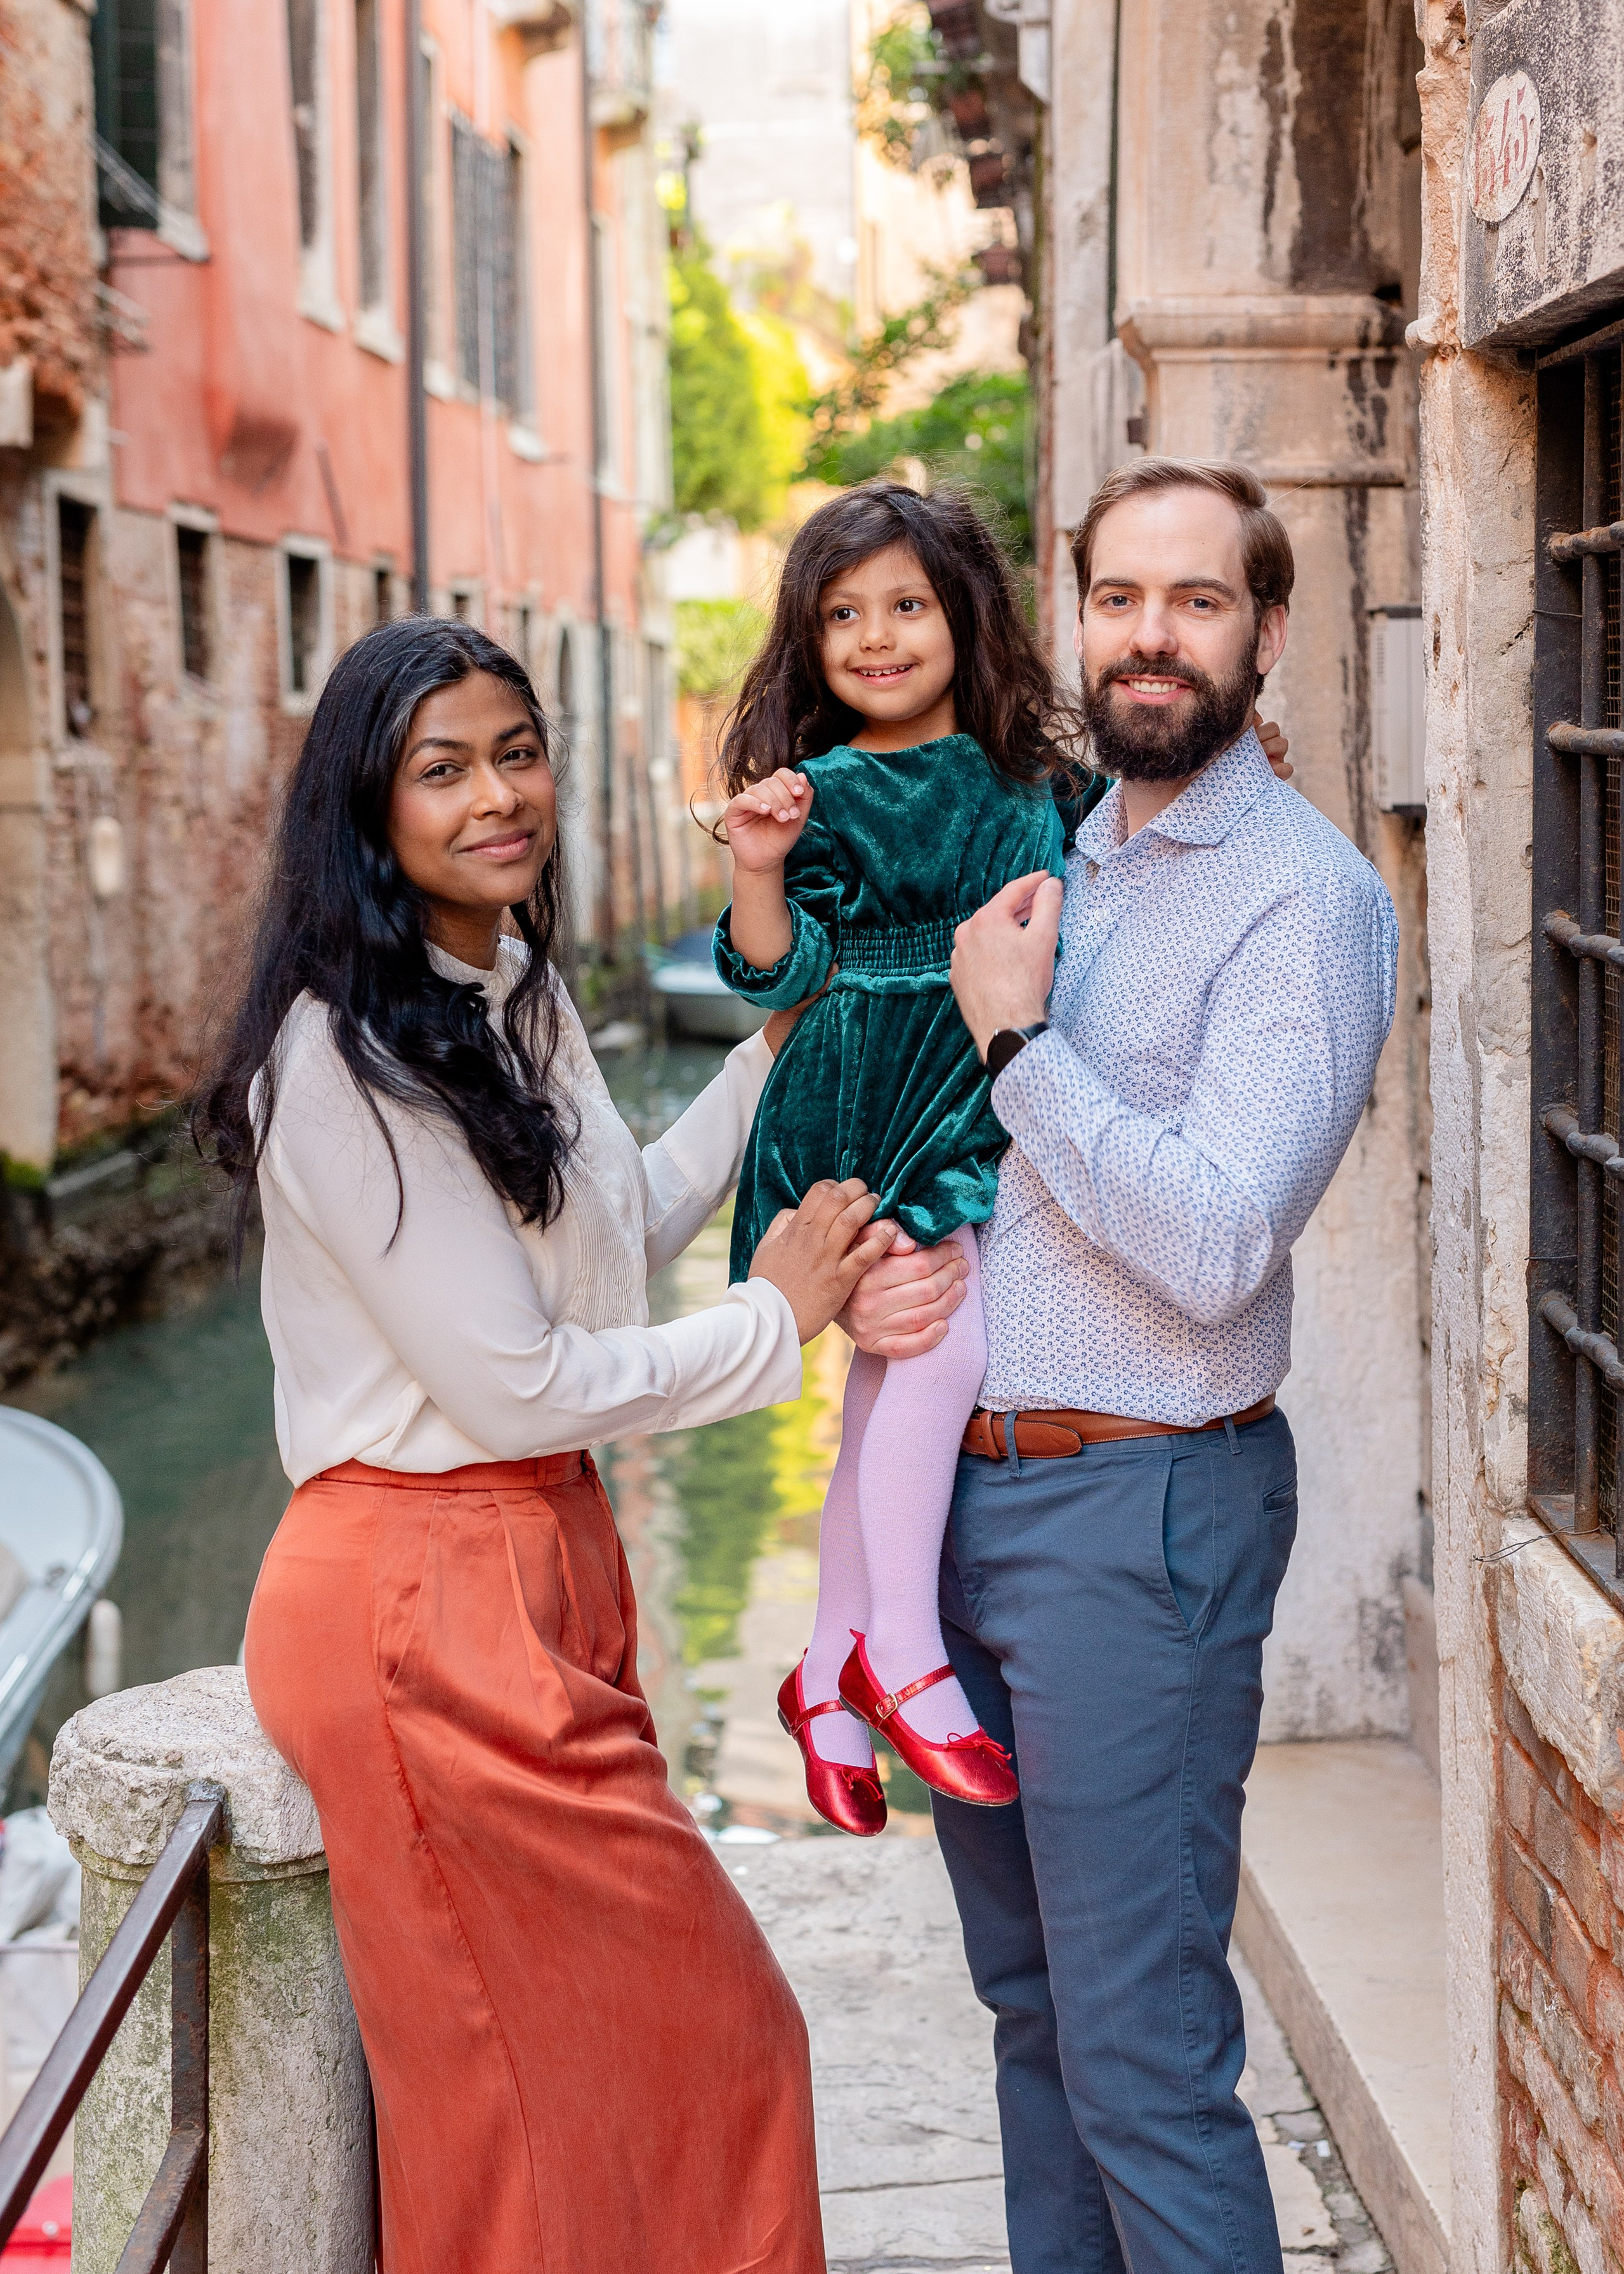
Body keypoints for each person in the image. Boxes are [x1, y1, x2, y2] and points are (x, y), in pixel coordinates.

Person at [194, 618, 888, 2274]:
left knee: (583, 2090)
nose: (499, 794)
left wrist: (763, 1067)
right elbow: (513, 1381)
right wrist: (775, 1325)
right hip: (419, 1604)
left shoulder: (506, 986)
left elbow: (606, 1233)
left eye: (517, 750)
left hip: (514, 1576)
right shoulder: (335, 1061)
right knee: (658, 2053)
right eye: (444, 768)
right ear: (366, 812)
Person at [846, 458, 1399, 2271]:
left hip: (1140, 1514)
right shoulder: (1055, 846)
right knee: (1033, 2023)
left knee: (1147, 2054)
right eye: (1119, 599)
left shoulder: (1303, 904)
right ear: (1074, 621)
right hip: (971, 1509)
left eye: (1198, 600)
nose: (1150, 637)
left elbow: (1227, 1237)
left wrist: (1022, 1057)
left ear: (1269, 632)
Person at [714, 481, 1293, 1840]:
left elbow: (1124, 836)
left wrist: (1253, 750)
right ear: (809, 643)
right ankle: (899, 1648)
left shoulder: (1039, 784)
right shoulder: (827, 793)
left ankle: (826, 1666)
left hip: (960, 1079)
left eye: (905, 604)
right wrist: (757, 861)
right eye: (841, 615)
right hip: (870, 1084)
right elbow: (775, 972)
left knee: (890, 1373)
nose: (874, 636)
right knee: (942, 1349)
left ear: (965, 617)